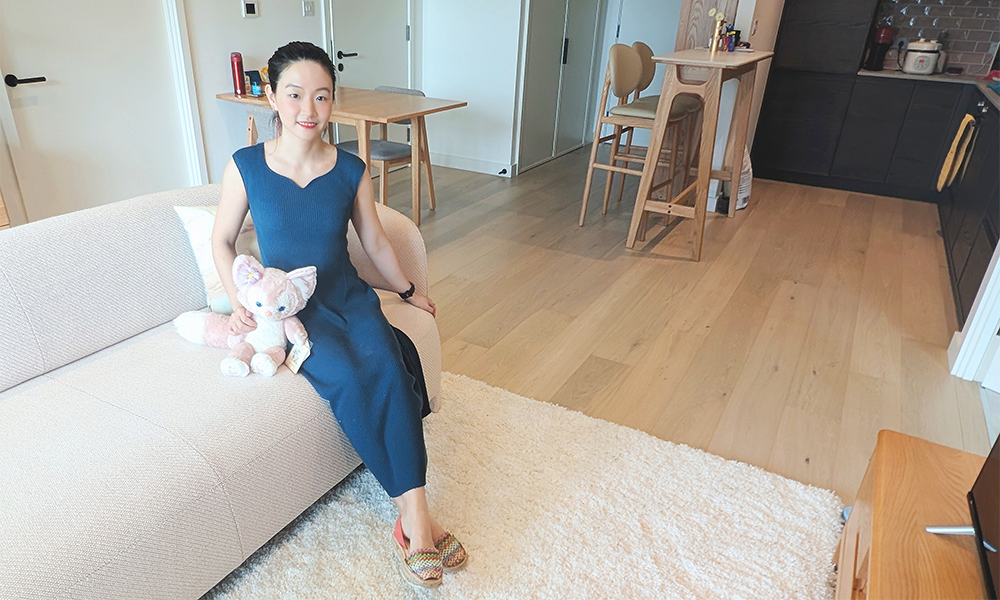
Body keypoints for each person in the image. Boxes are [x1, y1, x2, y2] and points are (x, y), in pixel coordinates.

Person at [211, 41, 465, 588]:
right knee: (350, 379)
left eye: (321, 96)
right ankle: (418, 522)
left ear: (333, 102)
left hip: (346, 295)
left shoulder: (351, 168)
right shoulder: (247, 166)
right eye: (295, 94)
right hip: (290, 309)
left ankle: (413, 517)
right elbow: (223, 240)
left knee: (391, 368)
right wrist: (240, 302)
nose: (309, 108)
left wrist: (408, 289)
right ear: (272, 98)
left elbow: (371, 242)